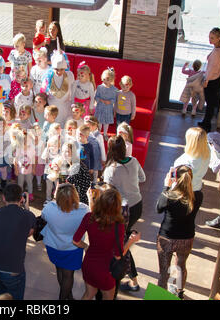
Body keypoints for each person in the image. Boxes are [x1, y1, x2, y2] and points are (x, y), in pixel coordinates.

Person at [73, 187, 141, 300]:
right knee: (107, 296)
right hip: (106, 270)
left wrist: (86, 246)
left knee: (89, 293)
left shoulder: (89, 217)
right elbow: (118, 255)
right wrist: (131, 241)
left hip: (89, 264)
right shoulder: (118, 226)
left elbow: (75, 240)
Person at [103, 135, 145, 292]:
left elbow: (109, 193)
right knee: (124, 239)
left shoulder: (110, 170)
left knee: (122, 244)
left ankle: (133, 281)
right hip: (137, 205)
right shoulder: (133, 161)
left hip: (124, 210)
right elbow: (143, 177)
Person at [40, 183, 89, 300]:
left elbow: (43, 217)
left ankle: (67, 295)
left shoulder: (49, 208)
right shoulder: (84, 210)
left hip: (54, 246)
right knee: (68, 275)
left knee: (59, 269)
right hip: (73, 248)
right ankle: (65, 296)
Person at [0, 183, 36, 300]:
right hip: (12, 269)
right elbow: (29, 233)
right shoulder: (28, 215)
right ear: (21, 199)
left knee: (0, 295)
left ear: (3, 197)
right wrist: (26, 206)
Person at [156, 165, 197, 300]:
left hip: (167, 238)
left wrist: (166, 186)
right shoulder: (198, 196)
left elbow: (158, 208)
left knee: (164, 273)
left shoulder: (169, 196)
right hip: (186, 238)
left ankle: (161, 296)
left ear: (176, 179)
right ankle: (179, 292)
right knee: (181, 266)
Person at [173, 127, 210, 223]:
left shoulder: (184, 161)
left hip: (181, 192)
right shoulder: (207, 152)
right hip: (197, 188)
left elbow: (175, 177)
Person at [198, 28, 220, 133]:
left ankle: (207, 124)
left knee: (209, 102)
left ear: (219, 38)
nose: (209, 40)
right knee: (211, 102)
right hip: (217, 78)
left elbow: (212, 68)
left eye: (212, 38)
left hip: (212, 80)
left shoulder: (216, 52)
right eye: (209, 37)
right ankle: (206, 122)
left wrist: (206, 80)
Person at [41, 42, 74, 127]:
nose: (59, 72)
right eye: (56, 69)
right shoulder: (47, 76)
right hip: (52, 110)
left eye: (62, 69)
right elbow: (43, 93)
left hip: (66, 109)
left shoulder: (70, 75)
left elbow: (73, 91)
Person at [61, 142, 92, 206]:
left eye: (67, 151)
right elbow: (62, 181)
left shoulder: (77, 166)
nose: (64, 154)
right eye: (62, 151)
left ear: (73, 153)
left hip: (80, 201)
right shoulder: (66, 163)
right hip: (72, 196)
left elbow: (65, 183)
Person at [94, 68, 118, 141]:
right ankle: (98, 133)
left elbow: (115, 99)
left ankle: (105, 133)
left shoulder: (114, 89)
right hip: (100, 106)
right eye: (104, 79)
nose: (105, 81)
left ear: (111, 80)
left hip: (108, 108)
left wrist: (110, 102)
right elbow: (96, 96)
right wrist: (100, 100)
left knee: (106, 122)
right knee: (100, 121)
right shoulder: (99, 87)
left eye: (107, 79)